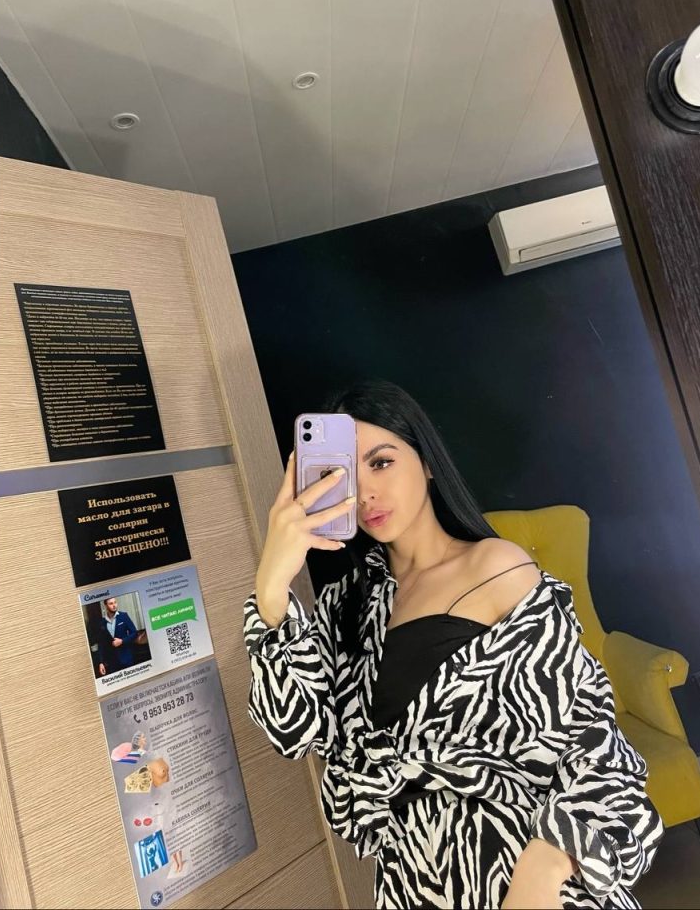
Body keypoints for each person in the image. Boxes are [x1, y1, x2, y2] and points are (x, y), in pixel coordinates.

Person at [243, 381, 664, 909]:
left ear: (426, 463)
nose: (366, 492)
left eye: (381, 462)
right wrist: (271, 586)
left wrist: (545, 868)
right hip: (411, 884)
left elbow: (592, 735)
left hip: (524, 877)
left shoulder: (495, 567)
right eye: (344, 473)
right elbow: (292, 731)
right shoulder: (344, 608)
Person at [97, 597, 138, 676]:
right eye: (111, 603)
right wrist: (101, 663)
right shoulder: (102, 623)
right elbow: (101, 644)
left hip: (127, 659)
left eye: (115, 602)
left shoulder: (124, 616)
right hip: (112, 663)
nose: (114, 605)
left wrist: (122, 641)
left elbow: (134, 633)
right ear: (105, 605)